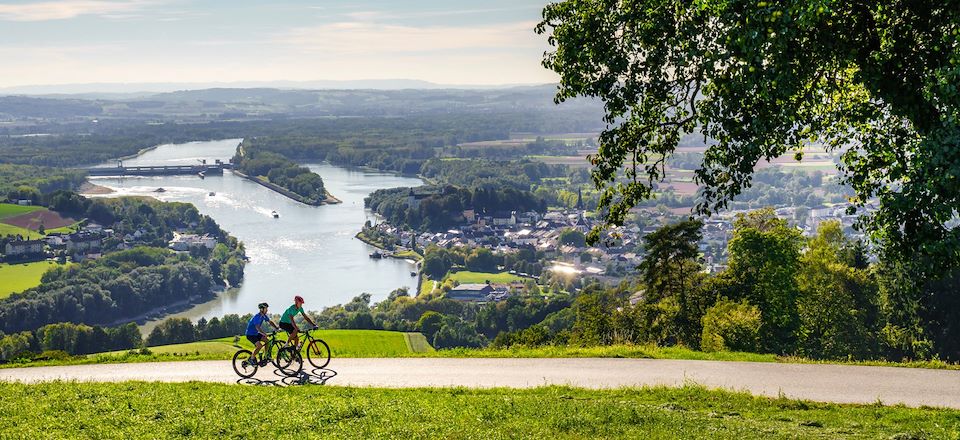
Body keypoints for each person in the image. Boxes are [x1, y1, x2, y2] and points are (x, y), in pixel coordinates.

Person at [245, 302, 279, 367]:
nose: (267, 310)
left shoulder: (263, 316)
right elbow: (257, 327)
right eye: (266, 308)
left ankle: (266, 356)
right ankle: (251, 359)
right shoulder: (257, 317)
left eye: (267, 308)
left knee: (267, 341)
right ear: (261, 309)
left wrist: (276, 327)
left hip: (256, 333)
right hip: (250, 334)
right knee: (259, 346)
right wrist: (264, 333)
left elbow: (270, 322)